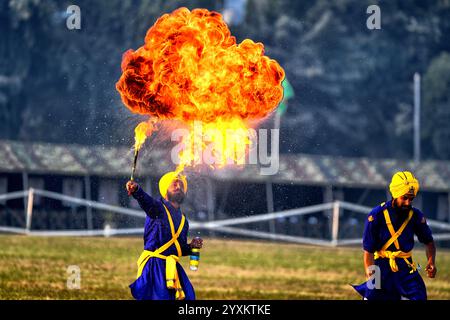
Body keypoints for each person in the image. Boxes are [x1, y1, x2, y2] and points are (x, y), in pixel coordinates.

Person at [352, 171, 437, 300]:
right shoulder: (376, 216)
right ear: (395, 194)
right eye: (405, 198)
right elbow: (368, 251)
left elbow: (429, 242)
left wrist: (431, 261)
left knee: (419, 296)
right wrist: (371, 277)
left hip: (405, 267)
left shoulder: (416, 216)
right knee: (373, 297)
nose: (408, 203)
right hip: (380, 267)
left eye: (411, 199)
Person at [126, 171, 203, 300]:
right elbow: (146, 201)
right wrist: (136, 190)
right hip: (154, 266)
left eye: (181, 186)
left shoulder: (184, 220)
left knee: (189, 296)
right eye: (174, 185)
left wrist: (190, 247)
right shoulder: (157, 208)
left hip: (172, 267)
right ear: (165, 191)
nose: (178, 187)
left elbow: (178, 248)